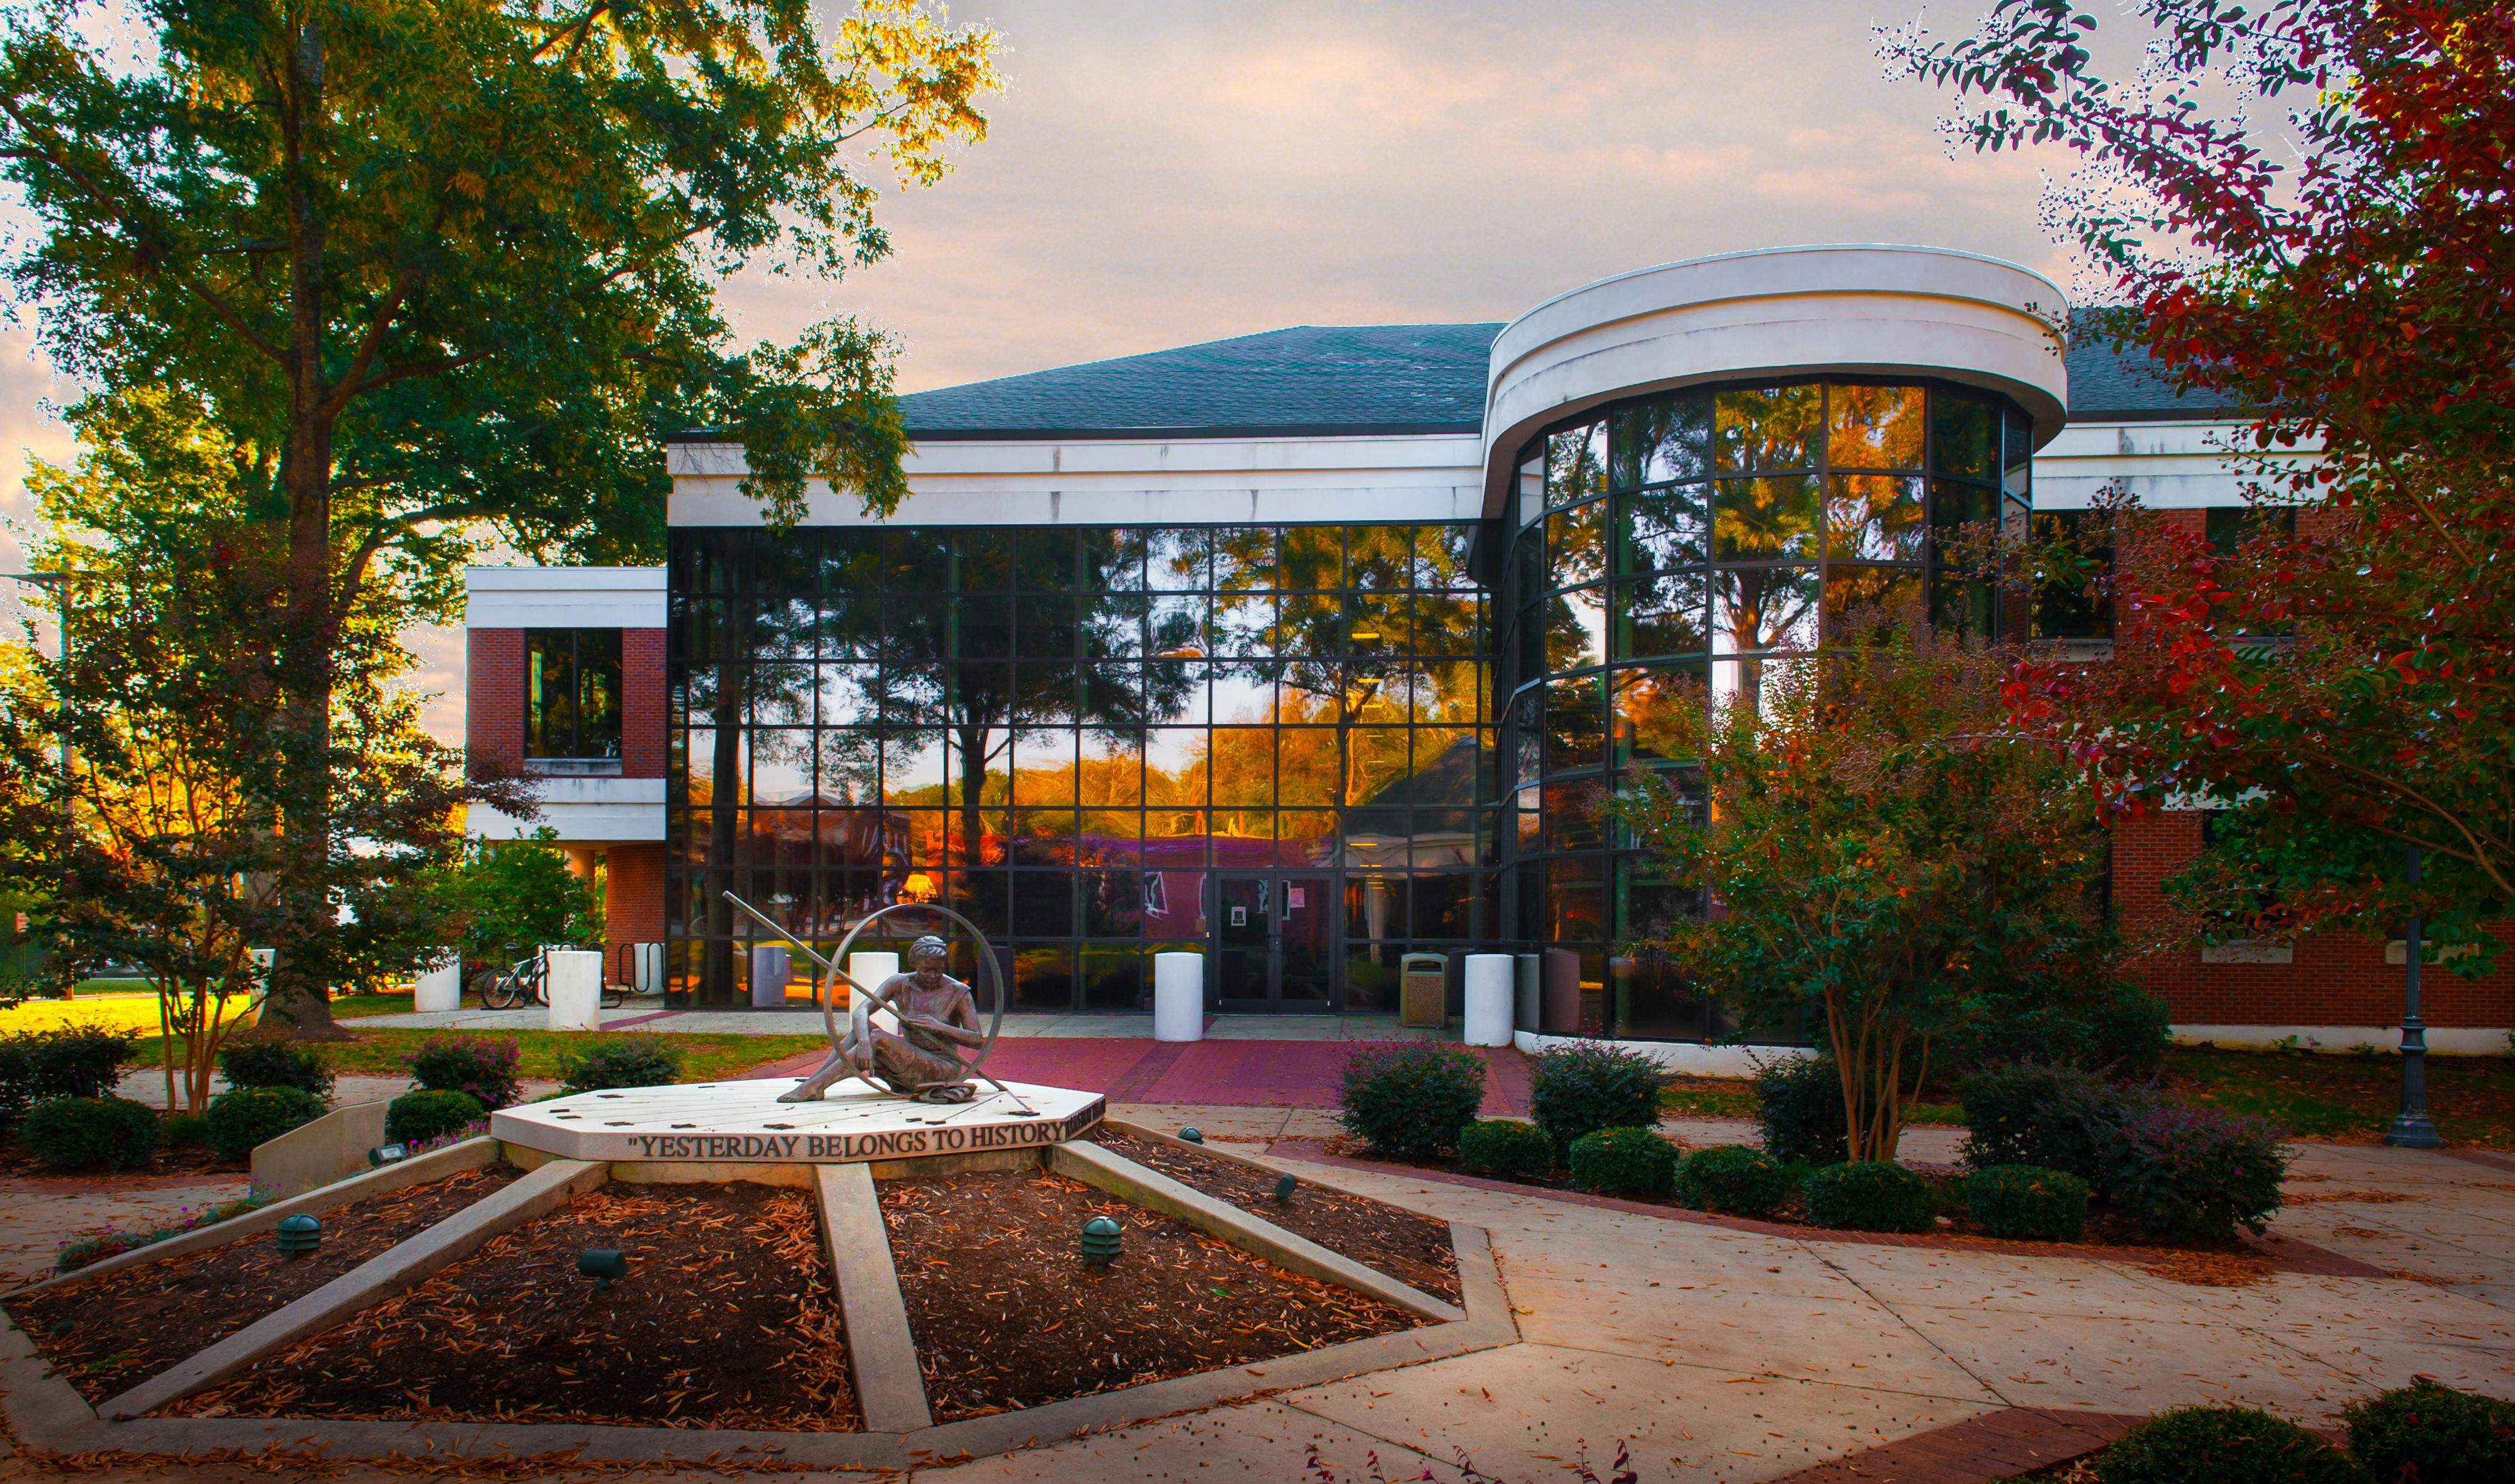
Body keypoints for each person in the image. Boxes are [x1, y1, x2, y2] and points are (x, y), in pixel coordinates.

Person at [778, 936, 985, 1103]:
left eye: (938, 970)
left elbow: (976, 1040)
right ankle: (815, 1081)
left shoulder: (958, 992)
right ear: (914, 963)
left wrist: (940, 1027)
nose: (932, 976)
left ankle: (815, 1086)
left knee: (879, 1038)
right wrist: (865, 1044)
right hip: (910, 1060)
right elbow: (861, 1011)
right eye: (925, 970)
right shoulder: (900, 983)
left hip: (941, 1069)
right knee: (865, 1030)